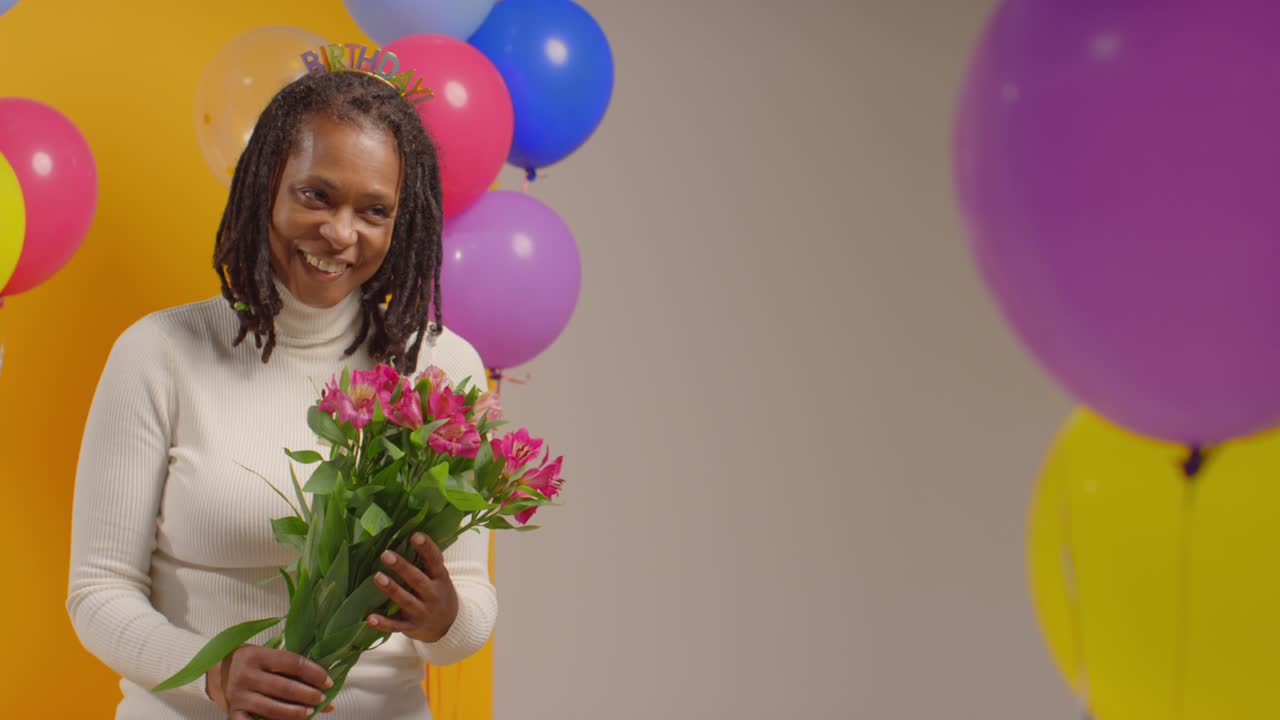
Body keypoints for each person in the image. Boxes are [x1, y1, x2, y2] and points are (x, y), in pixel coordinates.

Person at [66, 67, 497, 719]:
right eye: (317, 196)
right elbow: (98, 592)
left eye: (373, 210)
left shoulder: (441, 369)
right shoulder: (159, 355)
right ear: (267, 185)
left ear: (400, 220)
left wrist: (443, 617)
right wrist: (211, 671)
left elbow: (470, 604)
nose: (341, 233)